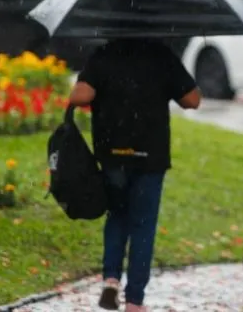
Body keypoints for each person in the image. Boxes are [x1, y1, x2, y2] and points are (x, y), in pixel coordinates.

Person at [67, 39, 202, 312]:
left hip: (112, 154)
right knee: (143, 226)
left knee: (117, 216)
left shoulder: (104, 54)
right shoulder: (162, 54)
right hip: (149, 157)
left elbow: (80, 96)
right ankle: (135, 301)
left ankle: (111, 279)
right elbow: (192, 100)